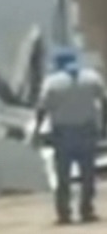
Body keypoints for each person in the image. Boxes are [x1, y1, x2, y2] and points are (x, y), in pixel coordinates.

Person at [31, 47, 107, 225]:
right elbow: (104, 102)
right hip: (87, 132)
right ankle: (86, 210)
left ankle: (64, 214)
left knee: (63, 176)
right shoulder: (92, 78)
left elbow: (42, 108)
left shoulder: (52, 82)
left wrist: (37, 129)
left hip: (63, 134)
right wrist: (104, 126)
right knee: (88, 174)